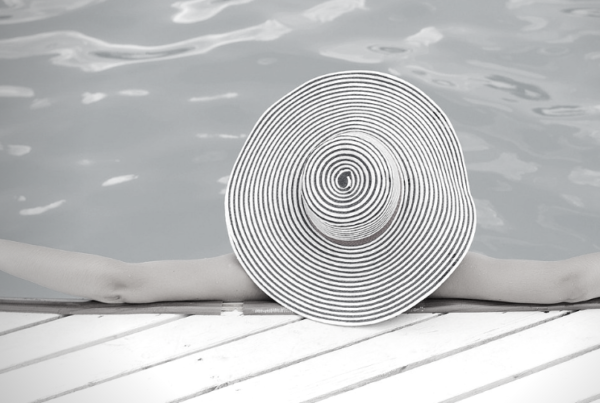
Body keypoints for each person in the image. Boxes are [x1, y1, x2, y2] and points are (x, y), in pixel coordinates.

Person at [1, 71, 598, 324]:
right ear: (415, 197)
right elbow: (566, 283)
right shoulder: (453, 273)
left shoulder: (255, 274)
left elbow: (118, 284)